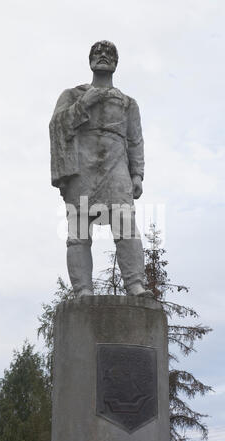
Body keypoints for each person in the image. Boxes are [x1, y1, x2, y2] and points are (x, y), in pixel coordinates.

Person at [50, 40, 153, 298]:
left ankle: (135, 285)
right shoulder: (73, 94)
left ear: (116, 63)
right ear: (90, 60)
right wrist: (85, 102)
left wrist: (137, 174)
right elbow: (57, 126)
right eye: (98, 52)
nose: (103, 56)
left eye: (109, 53)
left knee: (126, 226)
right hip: (82, 168)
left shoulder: (128, 103)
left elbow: (135, 140)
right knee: (78, 232)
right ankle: (83, 289)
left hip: (116, 165)